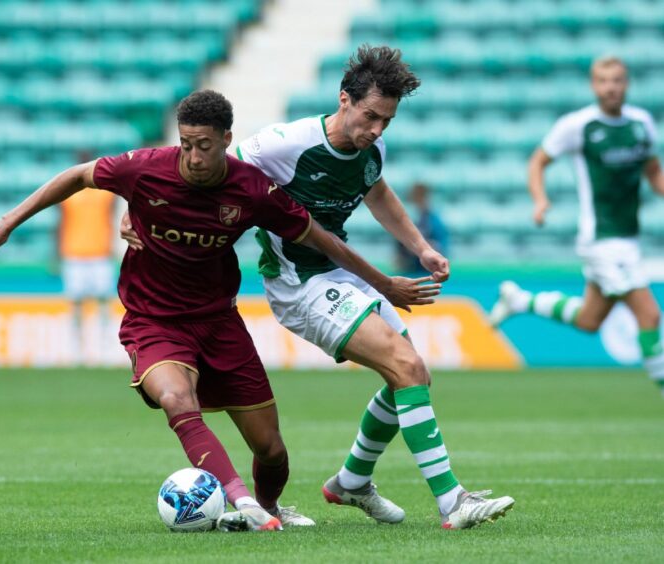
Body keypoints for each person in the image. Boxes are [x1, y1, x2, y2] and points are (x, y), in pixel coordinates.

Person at [0, 90, 434, 532]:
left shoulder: (251, 189)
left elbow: (318, 236)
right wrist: (6, 223)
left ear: (226, 141)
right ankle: (241, 500)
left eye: (204, 146)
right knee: (176, 398)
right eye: (186, 144)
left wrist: (382, 284)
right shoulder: (145, 169)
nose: (193, 157)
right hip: (154, 322)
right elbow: (77, 175)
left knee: (271, 452)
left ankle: (268, 506)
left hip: (219, 323)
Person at [122, 46, 514, 529]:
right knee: (406, 366)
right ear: (343, 99)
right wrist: (138, 208)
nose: (376, 130)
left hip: (339, 272)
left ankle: (351, 481)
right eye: (370, 116)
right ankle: (452, 502)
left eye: (386, 122)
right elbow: (201, 174)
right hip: (298, 284)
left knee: (412, 377)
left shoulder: (371, 147)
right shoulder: (283, 145)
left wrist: (420, 245)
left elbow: (378, 190)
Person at [489, 55, 664, 395]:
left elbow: (654, 172)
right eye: (603, 80)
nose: (610, 87)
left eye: (616, 80)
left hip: (628, 239)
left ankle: (520, 301)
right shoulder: (579, 125)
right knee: (650, 315)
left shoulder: (642, 123)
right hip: (600, 240)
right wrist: (540, 200)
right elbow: (538, 161)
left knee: (589, 320)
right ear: (593, 85)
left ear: (626, 83)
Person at [58, 149, 116, 364]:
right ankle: (76, 352)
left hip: (100, 253)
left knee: (103, 304)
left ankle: (105, 349)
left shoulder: (105, 191)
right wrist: (58, 253)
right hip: (74, 252)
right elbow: (60, 223)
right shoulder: (68, 193)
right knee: (76, 305)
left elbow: (112, 218)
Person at [396, 182, 449, 275]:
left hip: (430, 269)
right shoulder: (407, 217)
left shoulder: (434, 220)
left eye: (421, 196)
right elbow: (399, 244)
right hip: (409, 268)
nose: (419, 200)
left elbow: (442, 244)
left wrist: (430, 246)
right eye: (416, 196)